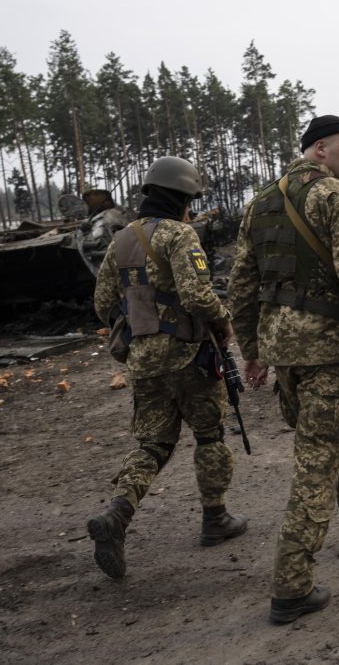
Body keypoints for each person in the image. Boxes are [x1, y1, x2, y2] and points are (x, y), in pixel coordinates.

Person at [228, 115, 339, 623]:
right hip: (325, 351)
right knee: (315, 461)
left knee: (321, 442)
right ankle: (291, 585)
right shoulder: (334, 197)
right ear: (319, 149)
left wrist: (253, 348)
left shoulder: (261, 201)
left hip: (284, 352)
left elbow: (241, 282)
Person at [87, 156, 247, 581]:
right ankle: (215, 519)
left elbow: (103, 305)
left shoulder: (120, 241)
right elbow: (197, 295)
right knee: (210, 435)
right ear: (182, 199)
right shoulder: (181, 236)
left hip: (142, 361)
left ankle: (116, 516)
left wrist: (141, 323)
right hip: (189, 355)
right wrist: (224, 320)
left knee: (153, 445)